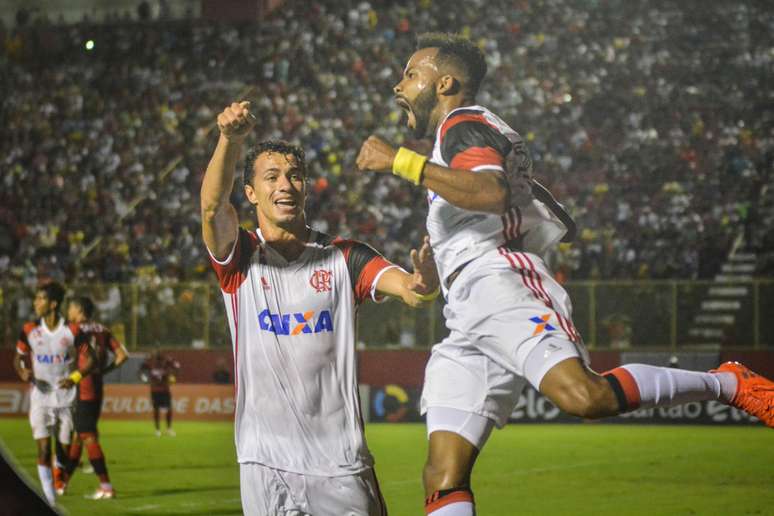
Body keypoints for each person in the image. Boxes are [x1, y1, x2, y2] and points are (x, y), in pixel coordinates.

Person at [356, 32, 774, 516]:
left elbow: (492, 192)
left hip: (499, 283)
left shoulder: (461, 123)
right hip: (466, 308)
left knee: (585, 397)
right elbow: (504, 197)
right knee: (443, 473)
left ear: (444, 81)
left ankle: (728, 383)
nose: (398, 85)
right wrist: (439, 268)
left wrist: (398, 161)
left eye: (410, 74)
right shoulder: (459, 132)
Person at [201, 100, 440, 516]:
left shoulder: (345, 256)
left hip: (340, 464)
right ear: (251, 193)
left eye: (295, 176)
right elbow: (211, 208)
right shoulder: (241, 257)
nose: (286, 185)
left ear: (306, 187)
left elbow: (410, 289)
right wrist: (229, 139)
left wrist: (425, 284)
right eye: (272, 177)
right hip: (264, 462)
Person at [13, 282, 95, 507]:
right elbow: (18, 357)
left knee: (65, 450)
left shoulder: (72, 331)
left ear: (53, 304)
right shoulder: (30, 330)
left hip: (66, 399)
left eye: (40, 299)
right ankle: (49, 499)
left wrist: (75, 378)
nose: (35, 303)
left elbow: (91, 358)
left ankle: (60, 468)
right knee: (43, 448)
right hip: (40, 397)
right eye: (36, 298)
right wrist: (22, 371)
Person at [63, 295, 128, 500]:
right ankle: (62, 483)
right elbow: (122, 356)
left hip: (82, 386)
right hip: (97, 386)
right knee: (79, 435)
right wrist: (104, 370)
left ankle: (106, 486)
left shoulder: (74, 329)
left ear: (79, 311)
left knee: (87, 435)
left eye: (71, 308)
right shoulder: (103, 330)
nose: (68, 312)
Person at [139, 349, 180, 436]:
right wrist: (144, 378)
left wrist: (173, 376)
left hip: (165, 389)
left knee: (169, 409)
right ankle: (157, 430)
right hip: (155, 390)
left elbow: (177, 367)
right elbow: (140, 370)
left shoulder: (167, 362)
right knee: (156, 410)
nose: (160, 358)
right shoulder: (151, 363)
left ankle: (168, 429)